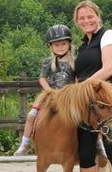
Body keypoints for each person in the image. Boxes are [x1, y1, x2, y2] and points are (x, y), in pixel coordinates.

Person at [71, 0, 112, 172]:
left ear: (98, 16)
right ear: (76, 21)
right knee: (86, 155)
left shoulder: (109, 36)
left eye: (90, 16)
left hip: (108, 102)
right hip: (87, 107)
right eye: (82, 18)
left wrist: (81, 88)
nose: (86, 21)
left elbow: (109, 68)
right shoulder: (82, 46)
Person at [14, 24, 80, 155]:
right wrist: (50, 91)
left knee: (86, 115)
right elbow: (42, 79)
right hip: (50, 94)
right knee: (31, 115)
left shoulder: (76, 62)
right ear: (51, 47)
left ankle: (97, 143)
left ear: (69, 44)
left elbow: (77, 80)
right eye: (56, 45)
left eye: (63, 44)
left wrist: (72, 91)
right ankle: (25, 143)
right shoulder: (48, 62)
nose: (60, 47)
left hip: (69, 95)